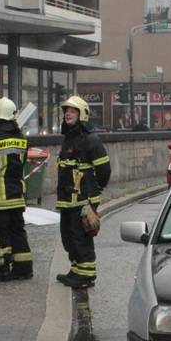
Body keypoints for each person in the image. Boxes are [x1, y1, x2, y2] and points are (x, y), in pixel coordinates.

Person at [56, 95, 111, 289]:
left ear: (82, 114)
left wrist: (95, 192)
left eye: (72, 111)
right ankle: (77, 270)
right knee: (68, 237)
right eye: (66, 111)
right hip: (67, 200)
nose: (68, 114)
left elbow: (104, 171)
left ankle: (87, 275)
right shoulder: (68, 139)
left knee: (81, 237)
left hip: (83, 200)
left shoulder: (91, 140)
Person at [0, 97, 33, 282]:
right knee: (18, 232)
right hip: (17, 196)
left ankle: (3, 268)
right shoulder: (21, 139)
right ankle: (24, 267)